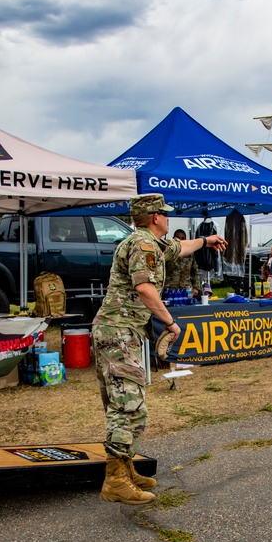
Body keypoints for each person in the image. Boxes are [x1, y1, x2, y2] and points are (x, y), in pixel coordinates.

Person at [93, 194, 228, 504]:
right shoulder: (143, 245)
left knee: (127, 403)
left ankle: (124, 469)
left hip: (119, 332)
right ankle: (114, 480)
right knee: (128, 406)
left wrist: (207, 240)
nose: (169, 219)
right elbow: (144, 287)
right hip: (118, 332)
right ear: (155, 217)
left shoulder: (149, 242)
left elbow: (180, 248)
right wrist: (170, 322)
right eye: (165, 215)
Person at [163, 229, 201, 297]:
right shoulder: (169, 252)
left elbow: (195, 271)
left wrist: (196, 287)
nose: (180, 240)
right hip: (170, 289)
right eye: (178, 237)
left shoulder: (189, 254)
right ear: (174, 238)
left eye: (182, 238)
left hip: (186, 289)